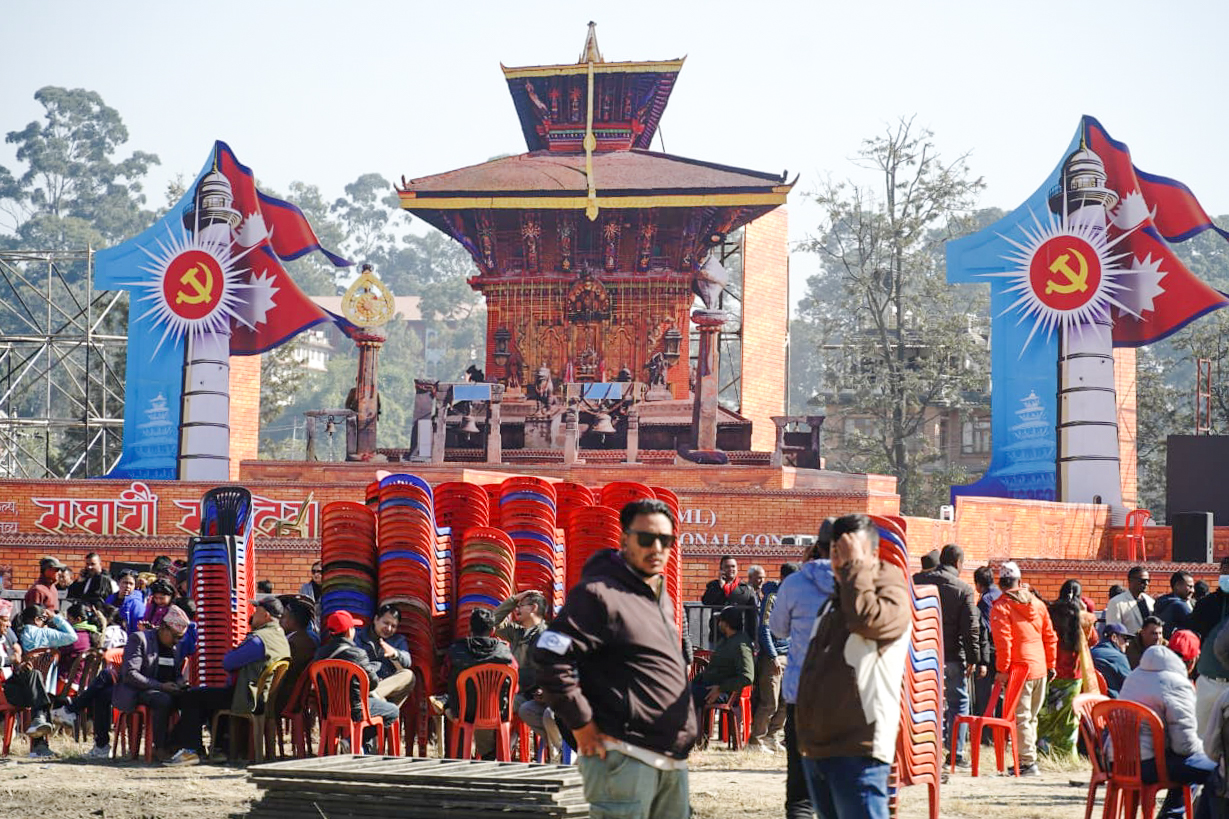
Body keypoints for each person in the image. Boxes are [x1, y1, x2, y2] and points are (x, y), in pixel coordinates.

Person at [535, 497, 695, 819]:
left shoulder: (657, 597)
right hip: (623, 757)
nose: (657, 548)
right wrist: (581, 723)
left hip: (669, 759)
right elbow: (549, 654)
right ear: (624, 540)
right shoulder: (599, 594)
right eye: (646, 538)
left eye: (666, 540)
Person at [795, 513, 910, 819]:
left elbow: (866, 619)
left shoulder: (891, 591)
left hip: (859, 747)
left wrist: (854, 567)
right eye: (836, 552)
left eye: (850, 551)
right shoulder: (836, 598)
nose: (841, 560)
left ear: (873, 553)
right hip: (820, 749)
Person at [167, 595, 290, 765]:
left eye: (256, 611)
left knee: (192, 697)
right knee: (209, 698)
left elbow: (228, 663)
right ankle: (219, 749)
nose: (253, 614)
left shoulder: (258, 640)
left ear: (266, 615)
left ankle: (191, 751)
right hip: (261, 696)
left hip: (246, 697)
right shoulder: (281, 637)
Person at [770, 519, 835, 819]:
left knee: (799, 787)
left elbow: (778, 629)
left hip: (802, 693)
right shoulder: (864, 583)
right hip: (847, 697)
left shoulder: (794, 583)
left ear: (817, 546)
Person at [1120, 645, 1215, 819]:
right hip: (1148, 766)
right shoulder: (1176, 684)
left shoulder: (1133, 677)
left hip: (1118, 762)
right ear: (1192, 661)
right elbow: (1184, 746)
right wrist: (1204, 750)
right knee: (1216, 770)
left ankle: (1171, 815)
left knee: (1188, 765)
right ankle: (1172, 815)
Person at [913, 543, 982, 767]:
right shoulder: (963, 589)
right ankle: (955, 754)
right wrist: (973, 658)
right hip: (952, 656)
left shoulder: (917, 581)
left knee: (921, 704)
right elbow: (970, 628)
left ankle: (920, 752)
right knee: (958, 703)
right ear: (958, 563)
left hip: (920, 656)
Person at [990, 560, 1057, 776]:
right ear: (1019, 581)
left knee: (1021, 718)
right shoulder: (1038, 604)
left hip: (1020, 670)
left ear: (1001, 584)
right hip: (1040, 668)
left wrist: (1002, 670)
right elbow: (1050, 636)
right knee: (1031, 718)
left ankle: (1028, 762)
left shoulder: (1001, 607)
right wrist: (1051, 664)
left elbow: (1004, 642)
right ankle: (1028, 759)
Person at [100, 604, 191, 761]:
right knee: (163, 700)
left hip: (166, 689)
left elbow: (176, 674)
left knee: (192, 698)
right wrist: (160, 686)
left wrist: (180, 682)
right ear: (164, 628)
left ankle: (178, 745)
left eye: (180, 638)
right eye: (175, 636)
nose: (177, 641)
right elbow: (131, 674)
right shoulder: (139, 639)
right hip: (138, 690)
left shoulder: (175, 648)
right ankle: (160, 747)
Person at [314, 609, 399, 754]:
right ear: (349, 631)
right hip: (355, 709)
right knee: (392, 710)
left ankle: (358, 747)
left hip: (329, 709)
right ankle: (354, 743)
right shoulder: (357, 654)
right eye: (353, 627)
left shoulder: (320, 654)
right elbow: (373, 683)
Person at [493, 589, 563, 753]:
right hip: (523, 693)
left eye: (521, 606)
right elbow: (493, 622)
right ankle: (494, 750)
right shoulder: (517, 633)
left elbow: (563, 665)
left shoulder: (549, 634)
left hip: (545, 696)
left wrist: (547, 690)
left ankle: (560, 747)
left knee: (503, 705)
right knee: (492, 703)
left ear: (533, 608)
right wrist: (514, 599)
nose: (516, 610)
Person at [748, 561, 798, 754]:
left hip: (789, 655)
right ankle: (756, 740)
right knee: (770, 702)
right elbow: (765, 629)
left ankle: (772, 736)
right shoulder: (772, 597)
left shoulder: (792, 597)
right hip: (774, 656)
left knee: (786, 701)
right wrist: (773, 655)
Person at [1038, 598, 1096, 757]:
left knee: (1044, 717)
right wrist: (1084, 613)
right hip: (1072, 680)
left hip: (1049, 677)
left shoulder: (1049, 632)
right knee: (1069, 721)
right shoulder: (1078, 631)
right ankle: (1066, 755)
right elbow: (1093, 639)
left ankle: (1042, 752)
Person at [691, 606, 754, 744]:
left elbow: (747, 677)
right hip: (709, 686)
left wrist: (720, 688)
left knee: (686, 696)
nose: (718, 623)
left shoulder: (741, 644)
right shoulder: (726, 640)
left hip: (724, 692)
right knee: (679, 692)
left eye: (720, 621)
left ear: (726, 623)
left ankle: (690, 739)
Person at [1190, 557, 1229, 736]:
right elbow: (1194, 636)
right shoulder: (1206, 604)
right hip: (1209, 681)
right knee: (1203, 734)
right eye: (1225, 570)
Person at [356, 603, 416, 707]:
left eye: (393, 626)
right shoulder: (359, 636)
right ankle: (381, 704)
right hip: (365, 682)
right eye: (386, 623)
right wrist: (373, 678)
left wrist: (394, 654)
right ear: (376, 619)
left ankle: (376, 697)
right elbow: (355, 660)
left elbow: (407, 662)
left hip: (386, 686)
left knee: (409, 676)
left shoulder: (398, 640)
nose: (389, 628)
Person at [271, 599, 319, 717]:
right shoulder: (305, 640)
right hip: (295, 697)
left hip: (284, 698)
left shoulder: (293, 644)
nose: (280, 621)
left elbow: (278, 675)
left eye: (283, 617)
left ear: (292, 621)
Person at [702, 555, 758, 643]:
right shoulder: (714, 586)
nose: (731, 569)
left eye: (733, 566)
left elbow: (752, 616)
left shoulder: (746, 588)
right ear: (721, 569)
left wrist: (753, 638)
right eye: (727, 567)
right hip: (717, 636)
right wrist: (720, 586)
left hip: (739, 636)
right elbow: (706, 601)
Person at [973, 565, 1002, 727]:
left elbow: (985, 630)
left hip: (989, 652)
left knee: (984, 695)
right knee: (999, 694)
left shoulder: (985, 600)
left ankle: (985, 731)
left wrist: (981, 660)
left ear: (978, 584)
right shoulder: (1000, 595)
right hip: (1002, 651)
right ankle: (998, 729)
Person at [1106, 566, 1154, 634]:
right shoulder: (1116, 603)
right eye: (1143, 581)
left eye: (1148, 580)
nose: (1146, 583)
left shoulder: (1150, 601)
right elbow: (1113, 631)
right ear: (1131, 580)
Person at [1090, 623, 1132, 697]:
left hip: (1089, 700)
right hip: (1112, 701)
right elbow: (1131, 684)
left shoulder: (1090, 653)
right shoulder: (1118, 657)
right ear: (1114, 637)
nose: (1127, 644)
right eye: (1125, 639)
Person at [1154, 572, 1195, 639]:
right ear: (1177, 586)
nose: (1192, 590)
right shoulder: (1179, 605)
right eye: (1190, 587)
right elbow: (1194, 627)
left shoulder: (1162, 602)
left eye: (1193, 587)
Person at [106, 569, 145, 634]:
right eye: (125, 583)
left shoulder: (137, 604)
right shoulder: (110, 599)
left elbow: (137, 628)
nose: (127, 586)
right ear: (118, 582)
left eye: (131, 584)